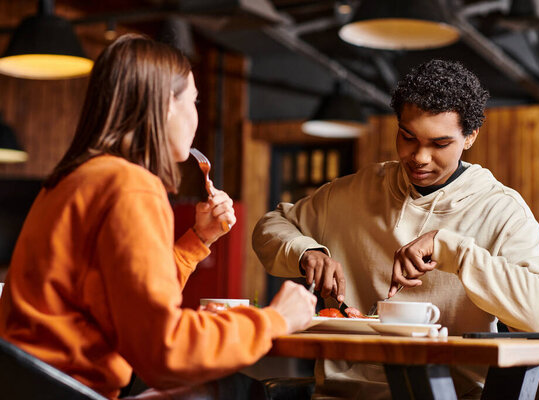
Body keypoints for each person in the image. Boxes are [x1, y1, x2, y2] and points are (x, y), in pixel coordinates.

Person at [0, 34, 316, 400]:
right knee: (255, 391)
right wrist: (276, 319)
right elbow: (166, 352)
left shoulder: (73, 179)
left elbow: (129, 305)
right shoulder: (130, 185)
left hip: (34, 387)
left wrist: (196, 242)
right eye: (194, 100)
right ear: (167, 104)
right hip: (75, 391)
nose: (196, 114)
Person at [253, 59, 539, 399]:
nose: (420, 157)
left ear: (470, 137)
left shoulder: (500, 209)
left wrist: (453, 250)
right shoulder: (354, 192)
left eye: (440, 144)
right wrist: (305, 252)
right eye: (408, 137)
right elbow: (271, 225)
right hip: (342, 395)